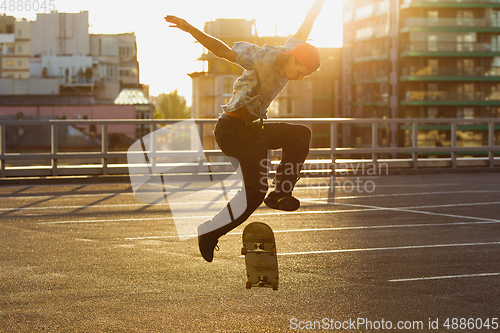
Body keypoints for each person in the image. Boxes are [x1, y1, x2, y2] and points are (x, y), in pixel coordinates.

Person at [165, 0, 325, 262]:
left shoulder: (293, 49)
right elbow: (223, 51)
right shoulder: (262, 59)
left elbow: (307, 25)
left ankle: (282, 192)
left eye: (304, 76)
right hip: (232, 131)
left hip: (254, 130)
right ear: (292, 59)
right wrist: (189, 28)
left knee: (301, 133)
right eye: (300, 71)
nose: (299, 77)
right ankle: (209, 233)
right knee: (253, 193)